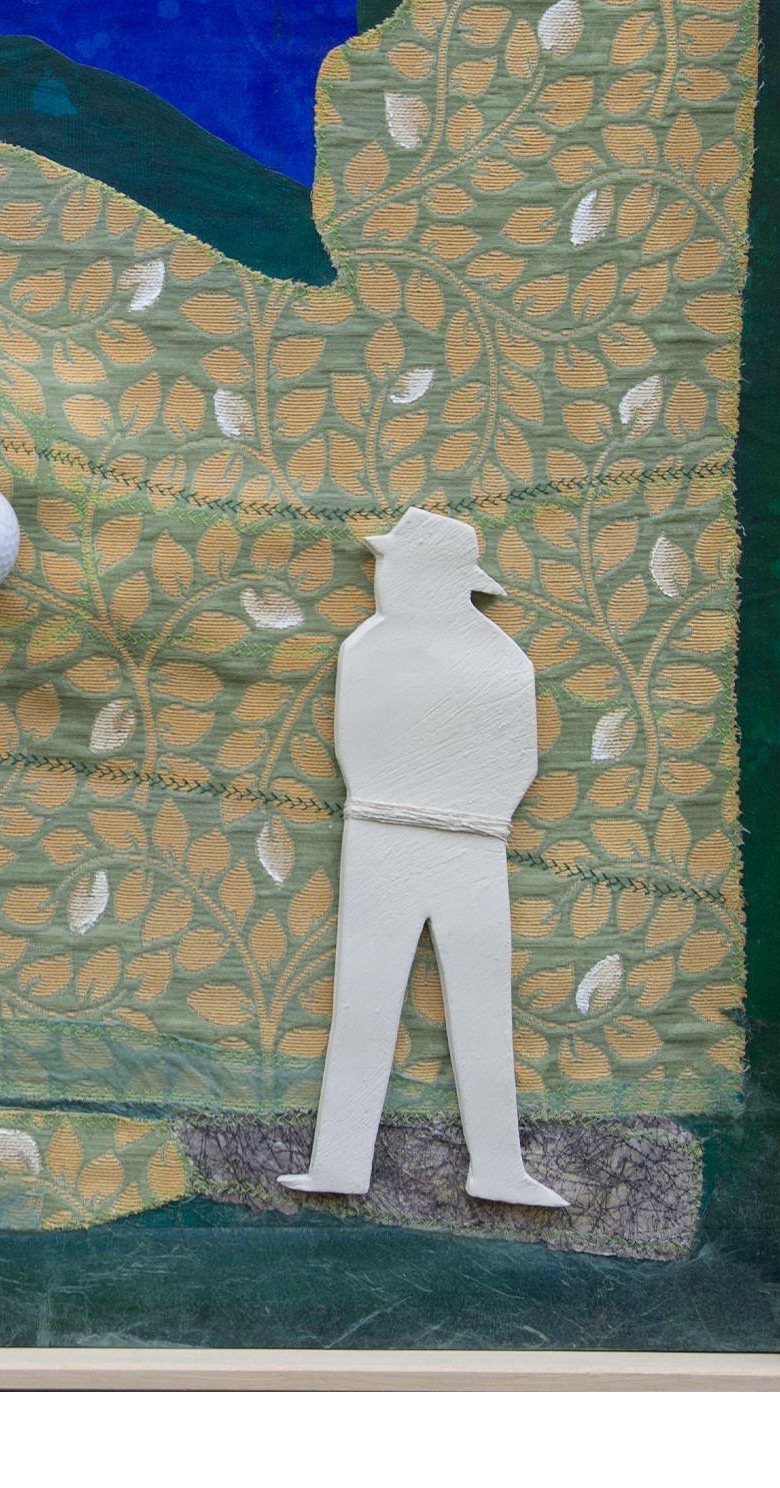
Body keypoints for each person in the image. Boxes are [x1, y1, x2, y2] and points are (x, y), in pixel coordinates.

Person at [279, 506, 568, 1208]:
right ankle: (341, 1163)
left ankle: (496, 1168)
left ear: (434, 577)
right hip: (397, 832)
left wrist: (466, 813)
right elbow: (358, 745)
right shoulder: (385, 646)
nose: (383, 576)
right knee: (368, 997)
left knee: (471, 1001)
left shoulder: (488, 658)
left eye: (395, 565)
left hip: (455, 838)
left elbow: (515, 761)